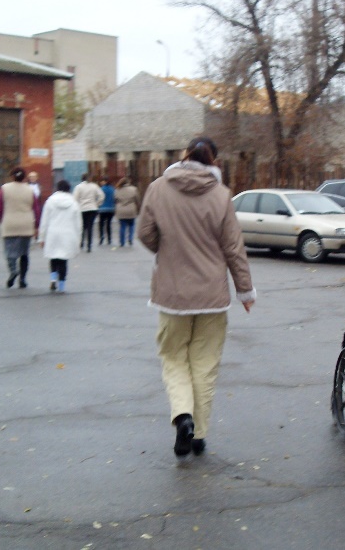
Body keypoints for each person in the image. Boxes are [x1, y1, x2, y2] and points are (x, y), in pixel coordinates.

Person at [138, 136, 256, 459]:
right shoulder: (221, 195)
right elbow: (234, 248)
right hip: (212, 295)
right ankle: (199, 434)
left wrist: (166, 249)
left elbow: (145, 233)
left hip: (171, 294)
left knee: (173, 357)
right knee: (204, 364)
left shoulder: (158, 189)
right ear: (213, 161)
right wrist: (244, 290)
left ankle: (183, 417)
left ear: (184, 155)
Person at [0, 167, 40, 289]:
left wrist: (2, 220)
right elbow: (36, 209)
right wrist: (36, 226)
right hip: (26, 224)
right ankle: (23, 279)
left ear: (12, 176)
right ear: (24, 177)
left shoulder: (4, 189)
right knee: (24, 253)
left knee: (10, 251)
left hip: (9, 223)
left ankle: (13, 270)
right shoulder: (30, 190)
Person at [38, 180, 82, 293]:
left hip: (52, 233)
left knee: (53, 257)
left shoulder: (50, 201)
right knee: (63, 260)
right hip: (68, 233)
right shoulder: (74, 203)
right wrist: (78, 239)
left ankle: (53, 278)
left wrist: (42, 237)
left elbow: (44, 220)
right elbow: (78, 223)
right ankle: (62, 284)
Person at [72, 173, 104, 253]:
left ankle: (81, 242)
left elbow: (75, 198)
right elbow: (102, 196)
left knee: (82, 226)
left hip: (82, 209)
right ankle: (89, 245)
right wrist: (97, 204)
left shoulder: (78, 187)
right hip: (92, 208)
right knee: (90, 227)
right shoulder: (94, 186)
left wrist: (77, 206)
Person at [114, 177, 141, 247]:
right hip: (131, 209)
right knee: (131, 225)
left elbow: (115, 200)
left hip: (120, 209)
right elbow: (137, 199)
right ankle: (130, 238)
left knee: (122, 226)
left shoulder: (117, 190)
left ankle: (122, 241)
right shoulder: (133, 189)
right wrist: (138, 207)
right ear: (128, 182)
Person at [97, 177, 116, 246]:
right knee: (108, 224)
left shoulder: (101, 189)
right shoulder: (112, 189)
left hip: (102, 209)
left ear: (104, 181)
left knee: (101, 224)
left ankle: (101, 237)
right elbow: (115, 198)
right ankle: (109, 239)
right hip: (111, 209)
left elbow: (98, 198)